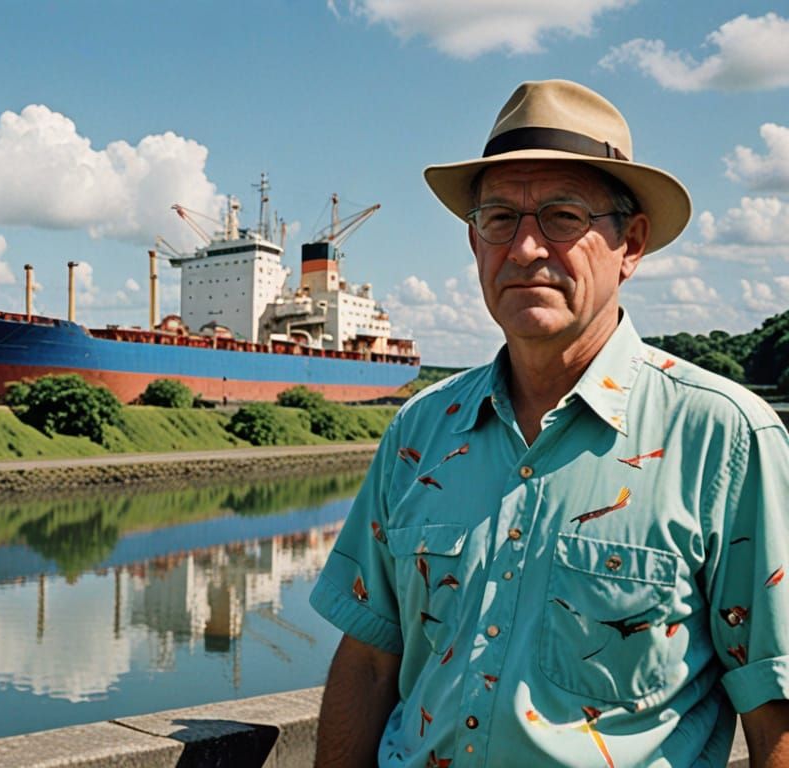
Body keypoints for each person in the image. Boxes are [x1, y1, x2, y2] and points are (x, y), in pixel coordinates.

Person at [309, 79, 789, 768]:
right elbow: (368, 662)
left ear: (632, 244)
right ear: (475, 243)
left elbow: (774, 705)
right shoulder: (417, 433)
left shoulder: (724, 438)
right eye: (499, 218)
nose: (526, 248)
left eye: (562, 217)